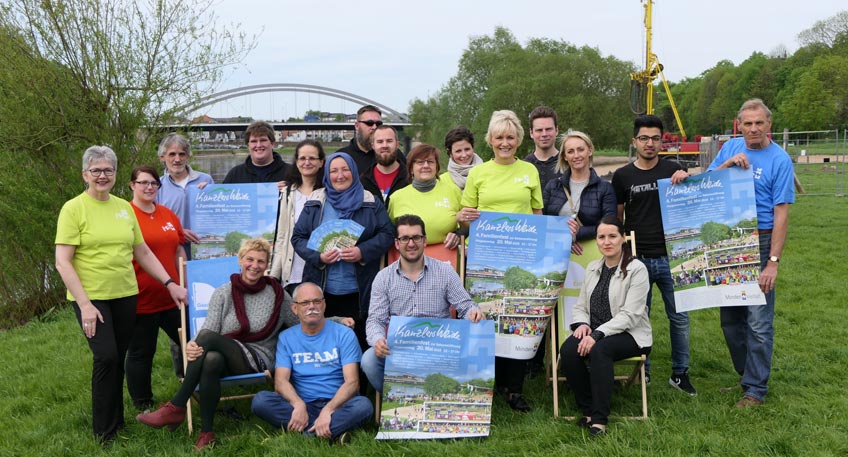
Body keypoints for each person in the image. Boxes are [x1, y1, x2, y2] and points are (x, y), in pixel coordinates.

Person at [55, 146, 187, 443]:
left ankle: (117, 422)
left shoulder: (124, 208)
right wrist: (86, 305)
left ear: (115, 174)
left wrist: (170, 283)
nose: (102, 175)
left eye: (108, 170)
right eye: (96, 170)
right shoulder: (73, 208)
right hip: (92, 298)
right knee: (106, 357)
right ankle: (104, 431)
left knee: (118, 358)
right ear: (85, 174)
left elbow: (141, 251)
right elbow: (62, 261)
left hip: (126, 294)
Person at [136, 238, 293, 451]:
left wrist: (338, 321)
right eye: (250, 259)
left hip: (259, 356)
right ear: (240, 260)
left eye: (261, 261)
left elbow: (302, 320)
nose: (254, 266)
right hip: (226, 353)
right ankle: (207, 432)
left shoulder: (277, 294)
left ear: (267, 265)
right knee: (211, 359)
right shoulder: (223, 292)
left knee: (208, 340)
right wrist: (193, 346)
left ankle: (177, 406)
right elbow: (208, 329)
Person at [707, 98, 794, 407]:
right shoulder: (730, 148)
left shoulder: (780, 160)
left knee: (758, 320)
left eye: (759, 123)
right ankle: (746, 377)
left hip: (762, 239)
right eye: (748, 123)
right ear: (739, 125)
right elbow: (707, 182)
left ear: (768, 124)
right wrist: (728, 165)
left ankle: (756, 389)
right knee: (730, 320)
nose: (754, 128)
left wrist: (772, 262)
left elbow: (781, 212)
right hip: (731, 239)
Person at [458, 110, 543, 412]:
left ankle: (515, 389)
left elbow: (537, 217)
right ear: (490, 140)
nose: (504, 143)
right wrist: (463, 219)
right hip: (485, 260)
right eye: (499, 138)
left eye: (510, 137)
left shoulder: (529, 171)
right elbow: (465, 220)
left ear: (519, 139)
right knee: (486, 320)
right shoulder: (478, 173)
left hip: (521, 259)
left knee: (519, 321)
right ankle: (487, 385)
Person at [610, 114, 696, 396]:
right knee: (638, 318)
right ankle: (642, 372)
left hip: (675, 257)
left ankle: (680, 373)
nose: (650, 143)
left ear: (662, 141)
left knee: (680, 318)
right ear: (634, 141)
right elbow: (618, 219)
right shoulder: (623, 176)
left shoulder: (675, 169)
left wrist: (687, 180)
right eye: (644, 138)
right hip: (639, 259)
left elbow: (694, 201)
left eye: (655, 138)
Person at [361, 215, 484, 393]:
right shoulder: (383, 278)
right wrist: (378, 340)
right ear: (396, 243)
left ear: (424, 241)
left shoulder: (444, 271)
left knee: (473, 349)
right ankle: (397, 400)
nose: (411, 244)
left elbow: (465, 306)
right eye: (405, 238)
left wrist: (474, 312)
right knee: (369, 360)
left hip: (439, 348)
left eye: (416, 237)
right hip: (401, 349)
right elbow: (375, 320)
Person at [291, 152, 395, 349]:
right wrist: (318, 256)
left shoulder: (370, 201)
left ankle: (361, 378)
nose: (340, 175)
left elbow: (387, 233)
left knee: (359, 342)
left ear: (354, 172)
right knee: (326, 343)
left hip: (360, 289)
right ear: (326, 175)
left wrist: (362, 251)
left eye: (345, 169)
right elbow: (298, 238)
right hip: (323, 289)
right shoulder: (315, 201)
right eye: (334, 171)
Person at [561, 215, 652, 436]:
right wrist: (582, 324)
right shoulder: (593, 267)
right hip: (595, 332)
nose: (606, 241)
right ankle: (589, 408)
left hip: (630, 334)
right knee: (568, 351)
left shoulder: (637, 269)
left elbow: (630, 315)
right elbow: (581, 305)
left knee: (600, 350)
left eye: (612, 236)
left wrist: (598, 334)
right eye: (601, 237)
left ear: (623, 239)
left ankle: (600, 420)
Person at [251, 283, 373, 442]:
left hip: (339, 404)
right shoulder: (286, 338)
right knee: (260, 401)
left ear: (324, 305)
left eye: (316, 301)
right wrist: (298, 405)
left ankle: (308, 434)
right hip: (302, 403)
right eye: (305, 303)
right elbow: (280, 381)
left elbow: (352, 383)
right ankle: (329, 432)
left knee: (363, 406)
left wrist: (328, 410)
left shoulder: (344, 334)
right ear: (295, 308)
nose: (312, 307)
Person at [125, 165, 187, 412]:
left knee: (190, 342)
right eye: (143, 183)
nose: (149, 187)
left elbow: (178, 247)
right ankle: (143, 403)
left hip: (172, 296)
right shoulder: (125, 214)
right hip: (141, 298)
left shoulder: (167, 214)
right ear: (132, 185)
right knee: (142, 352)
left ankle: (191, 387)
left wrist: (184, 279)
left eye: (153, 183)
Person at [543, 129, 618, 254]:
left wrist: (577, 234)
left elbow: (610, 227)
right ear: (564, 157)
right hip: (556, 256)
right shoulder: (553, 186)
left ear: (590, 150)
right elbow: (542, 223)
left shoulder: (605, 188)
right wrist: (566, 239)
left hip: (592, 256)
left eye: (580, 149)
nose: (576, 155)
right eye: (570, 151)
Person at [388, 145, 463, 264]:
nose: (426, 166)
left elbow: (468, 225)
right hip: (408, 262)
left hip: (446, 260)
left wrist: (459, 235)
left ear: (437, 167)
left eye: (430, 162)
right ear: (411, 168)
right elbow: (389, 230)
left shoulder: (454, 191)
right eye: (420, 162)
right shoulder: (396, 198)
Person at [270, 139, 325, 294]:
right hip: (291, 274)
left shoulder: (327, 194)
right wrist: (274, 275)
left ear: (321, 162)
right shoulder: (288, 193)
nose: (307, 162)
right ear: (296, 161)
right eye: (302, 158)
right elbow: (282, 236)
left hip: (317, 272)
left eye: (312, 158)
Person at [155, 133, 214, 257]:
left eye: (182, 154)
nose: (177, 159)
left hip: (202, 250)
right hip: (172, 251)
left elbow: (218, 215)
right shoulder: (156, 186)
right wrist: (179, 232)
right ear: (162, 157)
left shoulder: (206, 180)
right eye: (172, 154)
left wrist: (212, 193)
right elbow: (154, 222)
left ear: (188, 156)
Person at [223, 120, 291, 186]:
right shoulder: (235, 174)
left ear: (272, 143)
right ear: (248, 145)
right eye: (254, 141)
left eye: (263, 140)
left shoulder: (291, 173)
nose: (258, 145)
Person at [360, 125, 409, 207]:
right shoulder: (364, 181)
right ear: (373, 146)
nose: (385, 145)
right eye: (380, 142)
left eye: (389, 141)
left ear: (397, 144)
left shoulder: (410, 178)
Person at [524, 106, 561, 190]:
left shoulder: (568, 163)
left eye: (548, 129)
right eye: (539, 130)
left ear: (556, 130)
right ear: (531, 133)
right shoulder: (524, 166)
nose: (544, 134)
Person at [441, 125, 483, 191]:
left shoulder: (487, 174)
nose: (464, 155)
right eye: (458, 151)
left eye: (467, 149)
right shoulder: (441, 181)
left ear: (473, 148)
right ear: (450, 154)